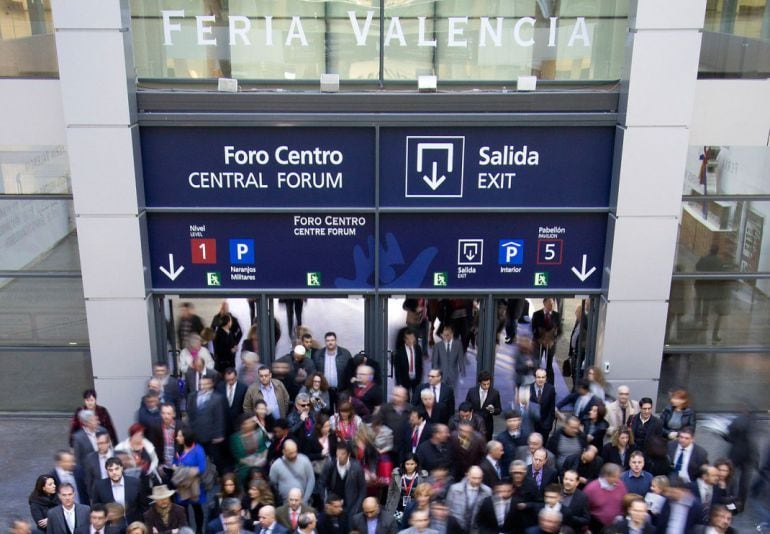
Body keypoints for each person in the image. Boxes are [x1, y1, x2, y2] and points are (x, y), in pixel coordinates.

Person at [318, 441, 366, 523]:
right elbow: (321, 483)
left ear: (348, 454)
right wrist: (325, 500)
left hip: (350, 504)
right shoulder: (330, 465)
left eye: (342, 454)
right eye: (338, 453)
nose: (339, 456)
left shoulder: (357, 468)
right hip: (333, 503)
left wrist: (356, 507)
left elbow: (362, 490)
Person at [186, 375, 227, 473]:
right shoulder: (192, 396)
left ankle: (218, 478)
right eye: (201, 384)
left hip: (211, 436)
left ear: (211, 384)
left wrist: (219, 435)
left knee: (215, 459)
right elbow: (190, 415)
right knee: (198, 458)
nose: (203, 386)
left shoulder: (217, 398)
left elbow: (220, 417)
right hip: (196, 434)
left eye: (206, 384)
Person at [172, 427, 207, 534]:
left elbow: (201, 468)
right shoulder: (178, 448)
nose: (177, 438)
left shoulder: (198, 449)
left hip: (194, 485)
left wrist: (180, 470)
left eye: (180, 435)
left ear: (186, 437)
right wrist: (176, 467)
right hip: (182, 486)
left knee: (197, 508)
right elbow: (174, 462)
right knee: (183, 510)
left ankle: (200, 530)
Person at [90, 457, 145, 524]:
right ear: (107, 471)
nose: (114, 472)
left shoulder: (135, 482)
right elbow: (96, 508)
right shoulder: (99, 486)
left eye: (116, 469)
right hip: (111, 526)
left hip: (133, 524)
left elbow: (143, 506)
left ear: (121, 468)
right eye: (110, 470)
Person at [694, 243, 730, 343]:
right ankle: (704, 322)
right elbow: (721, 275)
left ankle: (697, 319)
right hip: (710, 287)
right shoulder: (719, 262)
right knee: (706, 304)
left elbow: (697, 267)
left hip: (700, 285)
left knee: (698, 301)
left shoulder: (704, 258)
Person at [311, 332, 353, 409]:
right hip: (324, 391)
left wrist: (349, 391)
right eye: (328, 340)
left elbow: (350, 372)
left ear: (336, 340)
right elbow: (314, 372)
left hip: (341, 390)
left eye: (332, 340)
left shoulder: (345, 354)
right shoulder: (318, 355)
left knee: (342, 412)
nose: (330, 342)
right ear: (325, 341)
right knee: (325, 411)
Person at [445, 466, 491, 534]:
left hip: (476, 529)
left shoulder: (487, 491)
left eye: (479, 478)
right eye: (474, 478)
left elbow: (488, 514)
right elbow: (448, 509)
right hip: (457, 528)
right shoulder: (454, 489)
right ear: (467, 476)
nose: (477, 481)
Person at [115, 423, 161, 489]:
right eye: (140, 435)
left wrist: (150, 470)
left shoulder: (147, 444)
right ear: (134, 435)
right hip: (132, 481)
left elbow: (155, 460)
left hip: (149, 479)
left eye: (142, 435)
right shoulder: (121, 448)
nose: (142, 437)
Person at [269, 439, 315, 504]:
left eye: (295, 452)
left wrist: (305, 499)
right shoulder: (276, 465)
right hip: (285, 503)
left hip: (302, 501)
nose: (294, 455)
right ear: (284, 451)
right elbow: (273, 484)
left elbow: (311, 480)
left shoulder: (304, 460)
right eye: (291, 453)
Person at [584, 463, 627, 532]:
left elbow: (624, 502)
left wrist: (621, 516)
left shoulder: (620, 485)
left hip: (616, 527)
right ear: (606, 476)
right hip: (596, 527)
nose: (617, 479)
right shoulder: (591, 488)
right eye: (614, 477)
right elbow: (584, 510)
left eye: (618, 476)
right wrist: (586, 529)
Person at [464, 370, 501, 442]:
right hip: (473, 423)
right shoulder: (472, 391)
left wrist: (492, 410)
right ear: (479, 383)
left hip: (487, 425)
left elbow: (499, 410)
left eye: (488, 384)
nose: (486, 386)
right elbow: (466, 406)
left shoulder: (495, 393)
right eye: (484, 384)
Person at [531, 298, 561, 384]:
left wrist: (553, 340)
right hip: (538, 344)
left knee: (549, 365)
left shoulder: (557, 315)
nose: (551, 306)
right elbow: (533, 329)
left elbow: (559, 331)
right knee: (536, 363)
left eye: (553, 304)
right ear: (544, 303)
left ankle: (550, 385)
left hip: (550, 344)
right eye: (549, 304)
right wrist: (539, 339)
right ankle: (535, 383)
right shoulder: (537, 314)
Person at [216, 368, 248, 439]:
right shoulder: (219, 387)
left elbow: (245, 406)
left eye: (232, 379)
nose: (230, 381)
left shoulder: (243, 387)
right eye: (228, 380)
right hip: (224, 423)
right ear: (224, 378)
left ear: (236, 377)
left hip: (237, 423)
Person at [431, 325, 464, 390]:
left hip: (453, 375)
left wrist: (462, 370)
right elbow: (434, 362)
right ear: (442, 335)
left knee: (452, 394)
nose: (446, 337)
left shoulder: (458, 345)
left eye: (448, 335)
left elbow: (460, 358)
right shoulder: (437, 346)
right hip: (441, 375)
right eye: (444, 335)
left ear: (452, 334)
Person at [393, 330, 423, 399]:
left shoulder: (418, 349)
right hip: (404, 379)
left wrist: (419, 378)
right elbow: (397, 369)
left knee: (416, 398)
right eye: (408, 338)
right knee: (405, 399)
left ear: (414, 339)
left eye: (412, 338)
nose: (410, 341)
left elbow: (420, 365)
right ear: (404, 339)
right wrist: (398, 383)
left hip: (416, 379)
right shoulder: (400, 352)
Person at [529, 369, 556, 443]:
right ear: (535, 378)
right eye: (538, 377)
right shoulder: (528, 388)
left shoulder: (550, 389)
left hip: (544, 426)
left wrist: (548, 425)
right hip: (530, 426)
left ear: (546, 378)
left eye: (543, 377)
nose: (540, 379)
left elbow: (552, 408)